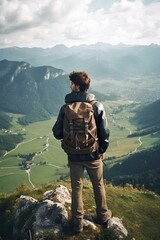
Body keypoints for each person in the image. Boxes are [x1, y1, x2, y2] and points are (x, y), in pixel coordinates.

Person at [52, 71, 112, 233]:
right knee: (98, 184)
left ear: (77, 87)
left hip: (74, 156)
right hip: (93, 155)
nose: (70, 85)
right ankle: (102, 215)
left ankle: (77, 222)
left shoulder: (65, 108)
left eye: (72, 83)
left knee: (76, 188)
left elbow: (57, 133)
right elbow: (104, 133)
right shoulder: (96, 106)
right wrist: (100, 150)